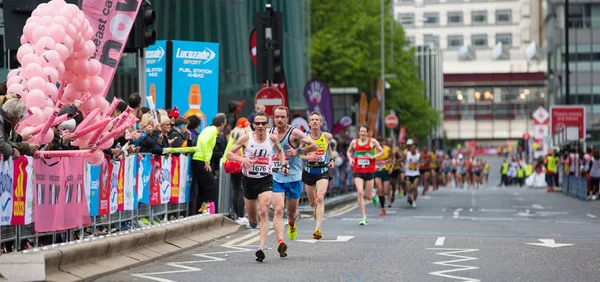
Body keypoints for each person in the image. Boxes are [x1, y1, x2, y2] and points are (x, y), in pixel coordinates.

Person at [225, 112, 289, 262]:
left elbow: (280, 151)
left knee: (264, 211)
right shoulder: (246, 138)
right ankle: (253, 223)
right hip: (248, 180)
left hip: (265, 180)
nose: (260, 126)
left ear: (267, 125)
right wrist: (242, 159)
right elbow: (229, 154)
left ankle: (261, 247)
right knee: (253, 220)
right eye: (257, 123)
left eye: (263, 123)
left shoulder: (272, 138)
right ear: (253, 124)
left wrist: (284, 165)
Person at [269, 106, 317, 248]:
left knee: (291, 213)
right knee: (278, 209)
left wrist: (298, 151)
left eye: (283, 117)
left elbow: (313, 145)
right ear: (273, 118)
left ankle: (291, 223)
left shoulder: (294, 133)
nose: (279, 119)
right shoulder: (269, 133)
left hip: (294, 177)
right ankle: (280, 242)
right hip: (276, 176)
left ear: (287, 118)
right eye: (277, 117)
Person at [301, 111, 333, 239]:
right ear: (309, 123)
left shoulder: (326, 136)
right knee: (312, 202)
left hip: (322, 171)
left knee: (320, 197)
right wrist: (308, 156)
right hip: (309, 172)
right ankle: (315, 209)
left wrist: (331, 160)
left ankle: (317, 229)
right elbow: (299, 154)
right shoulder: (304, 137)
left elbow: (329, 149)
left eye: (317, 119)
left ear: (321, 122)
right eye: (312, 120)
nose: (314, 121)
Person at [346, 123, 383, 225]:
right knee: (360, 192)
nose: (362, 133)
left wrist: (373, 156)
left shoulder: (372, 141)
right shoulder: (354, 142)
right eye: (361, 131)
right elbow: (349, 152)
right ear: (359, 132)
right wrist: (350, 159)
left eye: (364, 131)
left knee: (369, 197)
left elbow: (382, 151)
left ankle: (373, 194)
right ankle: (363, 217)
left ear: (367, 132)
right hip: (358, 171)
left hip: (369, 171)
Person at [190, 114, 226, 215]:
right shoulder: (212, 131)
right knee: (212, 187)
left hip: (198, 160)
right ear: (222, 123)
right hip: (201, 160)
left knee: (203, 188)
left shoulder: (209, 129)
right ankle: (206, 210)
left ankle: (199, 211)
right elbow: (204, 142)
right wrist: (206, 160)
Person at [223, 118, 252, 224]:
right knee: (241, 191)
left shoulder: (233, 135)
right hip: (241, 164)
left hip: (231, 164)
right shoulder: (246, 136)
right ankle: (241, 216)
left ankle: (238, 216)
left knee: (236, 190)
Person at [374, 137, 395, 214]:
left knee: (386, 191)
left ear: (384, 142)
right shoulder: (373, 149)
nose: (380, 142)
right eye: (378, 141)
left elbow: (393, 158)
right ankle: (383, 208)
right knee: (380, 189)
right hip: (377, 172)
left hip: (386, 172)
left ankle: (383, 197)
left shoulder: (388, 149)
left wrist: (391, 168)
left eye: (381, 141)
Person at [404, 139, 421, 208]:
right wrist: (402, 165)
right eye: (411, 147)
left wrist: (418, 166)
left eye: (414, 147)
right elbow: (402, 160)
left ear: (416, 148)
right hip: (408, 173)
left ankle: (414, 200)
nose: (412, 149)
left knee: (414, 187)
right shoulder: (407, 154)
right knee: (408, 189)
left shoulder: (418, 155)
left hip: (416, 173)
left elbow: (421, 162)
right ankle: (410, 196)